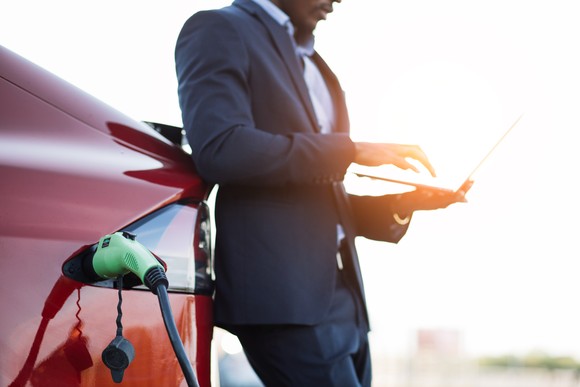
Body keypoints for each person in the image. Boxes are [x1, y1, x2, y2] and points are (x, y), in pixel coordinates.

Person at [175, 0, 469, 385]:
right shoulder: (217, 28)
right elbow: (221, 149)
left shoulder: (316, 62)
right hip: (284, 301)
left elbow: (315, 197)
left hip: (344, 298)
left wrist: (406, 202)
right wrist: (351, 149)